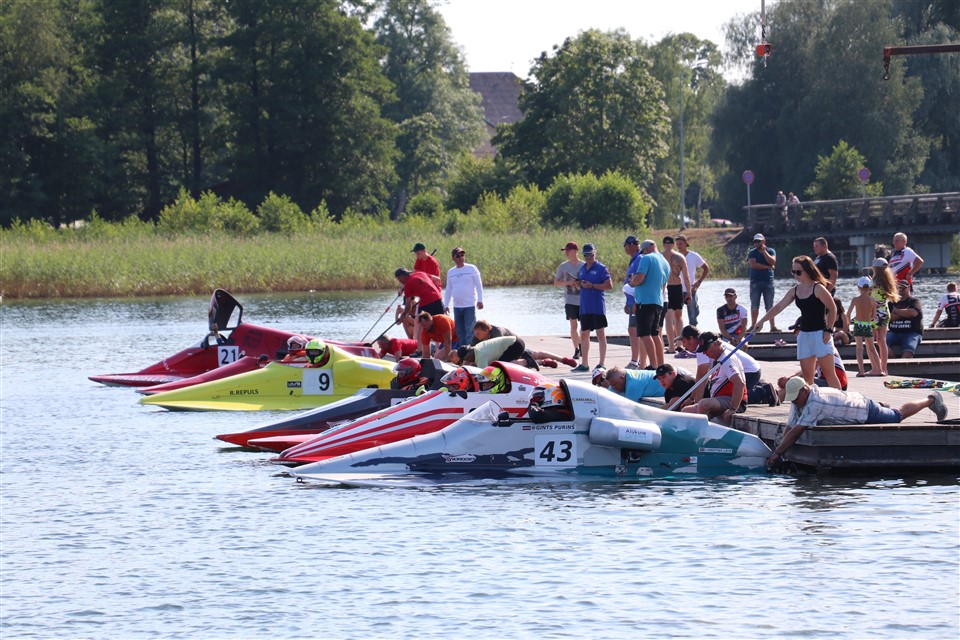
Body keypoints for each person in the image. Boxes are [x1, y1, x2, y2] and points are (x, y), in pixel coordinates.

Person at [766, 378, 948, 467]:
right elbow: (790, 425)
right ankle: (882, 406)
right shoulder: (799, 399)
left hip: (863, 410)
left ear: (805, 390)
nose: (795, 401)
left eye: (796, 397)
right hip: (849, 404)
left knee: (896, 416)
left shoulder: (815, 401)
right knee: (887, 411)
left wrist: (778, 453)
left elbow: (797, 430)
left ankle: (931, 399)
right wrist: (778, 449)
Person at [750, 255, 842, 390]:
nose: (795, 275)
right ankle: (811, 404)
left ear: (808, 270)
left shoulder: (818, 288)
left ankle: (841, 403)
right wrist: (762, 321)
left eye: (798, 272)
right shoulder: (795, 290)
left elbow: (833, 309)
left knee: (829, 374)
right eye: (793, 272)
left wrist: (829, 330)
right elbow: (778, 307)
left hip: (820, 334)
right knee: (807, 376)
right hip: (804, 335)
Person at [681, 332, 748, 425]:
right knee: (686, 411)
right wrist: (693, 398)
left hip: (732, 400)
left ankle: (701, 432)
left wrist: (733, 408)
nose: (704, 353)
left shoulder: (727, 359)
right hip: (719, 399)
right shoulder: (717, 359)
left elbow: (739, 383)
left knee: (703, 404)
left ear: (716, 344)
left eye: (706, 349)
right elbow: (703, 378)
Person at [572, 243, 612, 372]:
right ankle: (584, 363)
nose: (588, 257)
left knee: (600, 333)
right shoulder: (582, 268)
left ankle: (602, 363)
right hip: (585, 307)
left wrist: (593, 286)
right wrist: (578, 284)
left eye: (590, 254)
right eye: (586, 255)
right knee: (584, 334)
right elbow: (580, 287)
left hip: (597, 306)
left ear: (595, 253)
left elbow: (609, 285)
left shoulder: (601, 268)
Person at [630, 239, 670, 368]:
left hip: (645, 302)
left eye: (643, 251)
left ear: (646, 249)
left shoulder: (646, 258)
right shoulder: (665, 262)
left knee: (645, 334)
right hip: (658, 301)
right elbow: (663, 287)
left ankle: (653, 366)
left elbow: (640, 278)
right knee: (655, 334)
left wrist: (632, 282)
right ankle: (661, 364)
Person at [443, 246, 484, 348]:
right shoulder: (451, 272)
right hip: (457, 306)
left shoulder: (471, 268)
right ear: (453, 258)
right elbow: (448, 289)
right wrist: (446, 304)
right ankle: (462, 353)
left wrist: (480, 300)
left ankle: (471, 351)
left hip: (469, 305)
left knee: (470, 330)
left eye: (462, 255)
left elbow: (479, 285)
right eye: (458, 256)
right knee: (460, 331)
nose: (461, 258)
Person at [395, 266, 444, 342]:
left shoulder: (408, 285)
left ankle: (419, 349)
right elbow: (437, 279)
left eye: (399, 279)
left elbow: (408, 305)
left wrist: (403, 314)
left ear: (402, 276)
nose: (399, 281)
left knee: (419, 324)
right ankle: (440, 348)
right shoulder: (420, 273)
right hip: (438, 298)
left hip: (426, 302)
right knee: (439, 323)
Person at [553, 241, 584, 360]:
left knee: (584, 327)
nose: (566, 253)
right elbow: (556, 282)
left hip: (583, 301)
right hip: (570, 300)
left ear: (575, 251)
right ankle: (576, 349)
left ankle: (582, 345)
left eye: (568, 250)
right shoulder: (563, 266)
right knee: (573, 325)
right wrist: (568, 282)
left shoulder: (584, 265)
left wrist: (579, 284)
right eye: (565, 251)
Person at [661, 236, 692, 355]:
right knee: (678, 316)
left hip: (665, 287)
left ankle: (671, 346)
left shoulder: (660, 257)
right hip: (677, 287)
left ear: (663, 244)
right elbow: (686, 276)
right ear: (673, 244)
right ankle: (679, 344)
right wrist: (689, 292)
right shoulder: (680, 257)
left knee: (668, 317)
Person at [847, 276, 882, 377]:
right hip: (867, 325)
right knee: (871, 347)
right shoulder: (872, 300)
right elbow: (874, 316)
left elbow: (848, 313)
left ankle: (861, 370)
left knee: (859, 348)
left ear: (858, 287)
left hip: (858, 324)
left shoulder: (855, 299)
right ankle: (879, 369)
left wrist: (849, 323)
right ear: (870, 288)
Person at [871, 257, 899, 376]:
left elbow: (869, 297)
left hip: (874, 312)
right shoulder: (888, 281)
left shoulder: (873, 282)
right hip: (884, 310)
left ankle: (875, 368)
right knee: (882, 340)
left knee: (871, 340)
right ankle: (884, 368)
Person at [747, 233, 779, 332]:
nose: (757, 243)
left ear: (763, 241)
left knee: (769, 305)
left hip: (768, 282)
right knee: (754, 305)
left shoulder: (770, 251)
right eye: (755, 241)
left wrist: (764, 251)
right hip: (755, 282)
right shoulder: (752, 252)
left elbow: (772, 261)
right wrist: (767, 267)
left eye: (759, 241)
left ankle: (772, 327)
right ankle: (753, 326)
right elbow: (754, 265)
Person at [675, 234, 709, 327]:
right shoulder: (674, 256)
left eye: (681, 243)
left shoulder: (694, 256)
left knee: (693, 315)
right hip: (677, 289)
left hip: (691, 289)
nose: (679, 246)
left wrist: (699, 282)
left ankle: (693, 333)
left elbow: (706, 268)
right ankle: (678, 336)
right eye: (677, 244)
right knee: (676, 316)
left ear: (686, 244)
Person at [622, 235, 644, 369]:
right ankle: (636, 360)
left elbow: (639, 281)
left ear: (632, 245)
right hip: (632, 301)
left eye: (626, 245)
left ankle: (637, 361)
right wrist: (627, 302)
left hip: (637, 301)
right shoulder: (634, 260)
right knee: (632, 330)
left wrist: (635, 302)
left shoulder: (639, 259)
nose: (625, 248)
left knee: (635, 330)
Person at [887, 280, 923, 358]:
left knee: (909, 350)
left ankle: (902, 366)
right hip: (894, 332)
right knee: (881, 344)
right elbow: (890, 317)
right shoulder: (891, 303)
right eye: (899, 288)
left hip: (912, 332)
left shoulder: (915, 301)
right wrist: (906, 313)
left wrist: (896, 311)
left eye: (903, 288)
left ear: (908, 288)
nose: (901, 291)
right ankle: (894, 363)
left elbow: (913, 313)